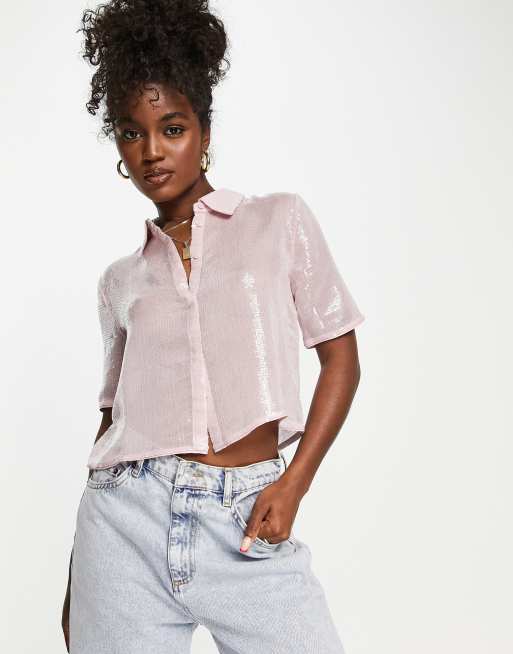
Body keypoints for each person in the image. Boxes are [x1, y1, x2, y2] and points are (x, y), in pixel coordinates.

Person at [62, 1, 365, 652]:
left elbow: (341, 358)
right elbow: (111, 420)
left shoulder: (278, 221)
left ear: (203, 129)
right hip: (122, 525)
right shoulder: (120, 280)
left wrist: (294, 483)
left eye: (171, 128)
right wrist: (74, 576)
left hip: (247, 514)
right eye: (132, 133)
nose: (152, 151)